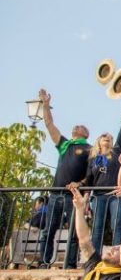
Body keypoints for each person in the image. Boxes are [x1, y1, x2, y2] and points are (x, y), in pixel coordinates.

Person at [37, 88, 91, 267]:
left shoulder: (89, 149)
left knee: (74, 232)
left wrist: (80, 184)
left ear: (86, 134)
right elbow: (49, 124)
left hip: (73, 196)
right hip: (54, 195)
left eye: (81, 126)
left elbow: (90, 174)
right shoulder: (65, 145)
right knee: (48, 231)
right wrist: (45, 105)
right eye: (75, 126)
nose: (76, 126)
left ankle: (69, 264)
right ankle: (44, 262)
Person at [85, 100, 121, 250]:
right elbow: (89, 180)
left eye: (109, 136)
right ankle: (95, 256)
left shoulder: (116, 152)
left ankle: (117, 254)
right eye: (103, 136)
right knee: (97, 227)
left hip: (116, 194)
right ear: (99, 141)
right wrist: (86, 200)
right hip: (99, 195)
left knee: (118, 225)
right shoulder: (93, 159)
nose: (106, 136)